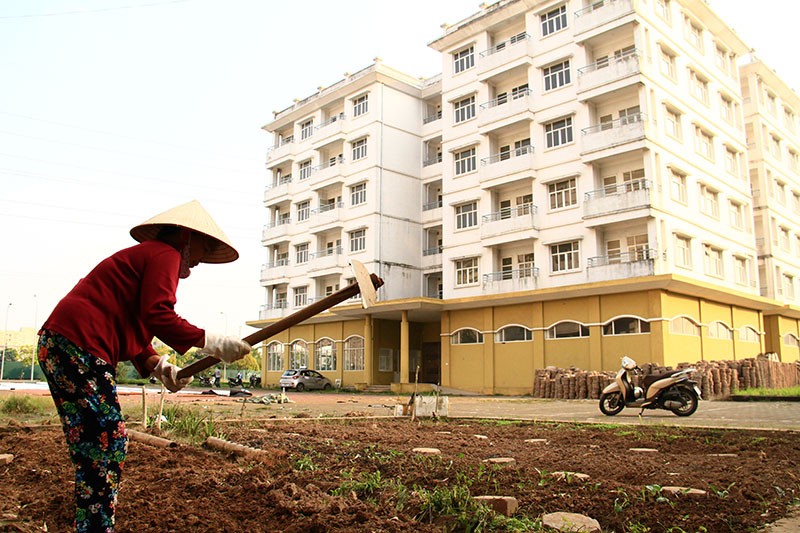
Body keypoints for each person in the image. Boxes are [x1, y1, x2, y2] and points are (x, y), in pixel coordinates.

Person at [37, 200, 251, 532]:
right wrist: (213, 342)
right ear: (185, 238)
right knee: (107, 442)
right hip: (80, 343)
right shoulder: (164, 254)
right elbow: (158, 315)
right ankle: (95, 527)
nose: (197, 263)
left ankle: (92, 524)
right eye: (201, 250)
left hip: (63, 343)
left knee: (95, 444)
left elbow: (132, 321)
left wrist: (159, 367)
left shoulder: (148, 257)